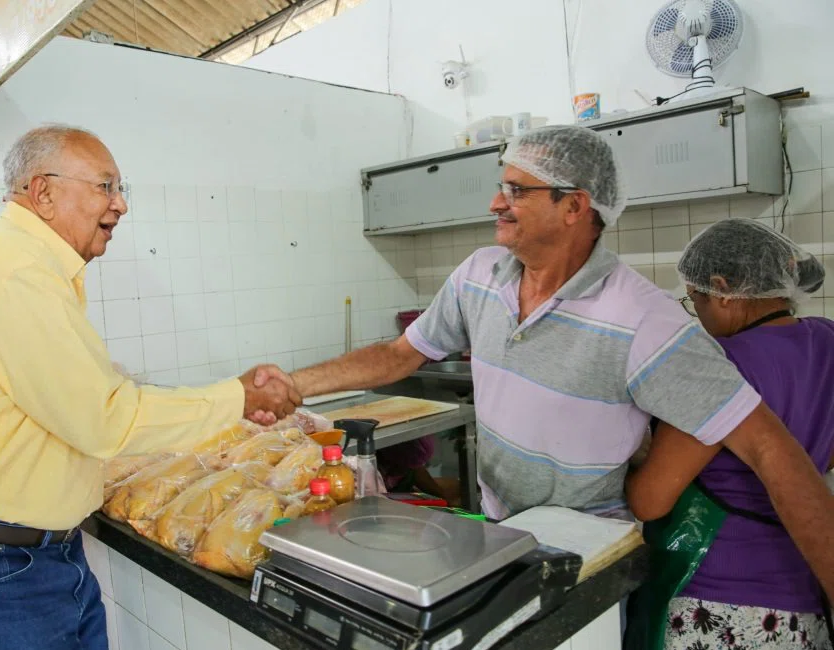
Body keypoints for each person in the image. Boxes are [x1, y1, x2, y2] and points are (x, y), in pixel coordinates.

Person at [261, 125, 834, 600]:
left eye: (516, 190)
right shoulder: (479, 275)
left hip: (586, 557)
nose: (494, 203)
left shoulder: (646, 319)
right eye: (500, 187)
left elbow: (768, 447)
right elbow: (397, 354)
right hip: (499, 534)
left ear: (574, 206)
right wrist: (293, 383)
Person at [0, 125, 300, 650]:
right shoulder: (12, 269)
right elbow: (104, 418)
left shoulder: (25, 266)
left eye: (120, 189)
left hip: (23, 556)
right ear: (43, 192)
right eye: (105, 186)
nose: (121, 205)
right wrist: (239, 397)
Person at [626, 219, 833, 650]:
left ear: (722, 288)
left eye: (695, 298)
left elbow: (651, 500)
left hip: (721, 606)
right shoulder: (827, 340)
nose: (696, 311)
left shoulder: (718, 367)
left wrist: (634, 455)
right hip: (804, 601)